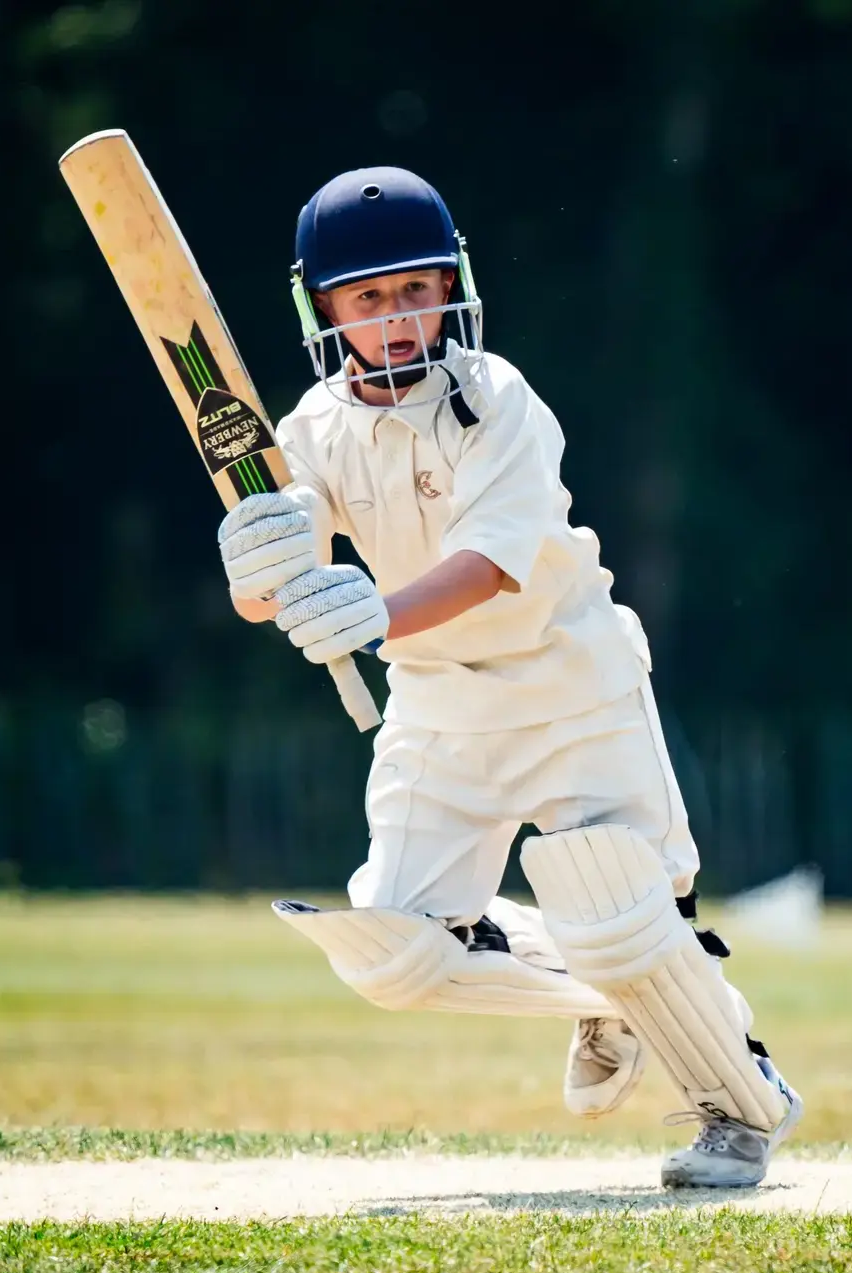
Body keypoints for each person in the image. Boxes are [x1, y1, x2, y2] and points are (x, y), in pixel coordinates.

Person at [218, 166, 803, 1188]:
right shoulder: (307, 429)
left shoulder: (496, 401)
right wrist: (257, 577)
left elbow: (492, 564)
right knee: (395, 951)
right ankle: (618, 990)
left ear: (451, 285)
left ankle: (740, 1106)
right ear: (326, 310)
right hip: (438, 709)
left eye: (415, 289)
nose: (397, 318)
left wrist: (376, 612)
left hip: (567, 682)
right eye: (369, 299)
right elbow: (284, 572)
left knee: (619, 909)